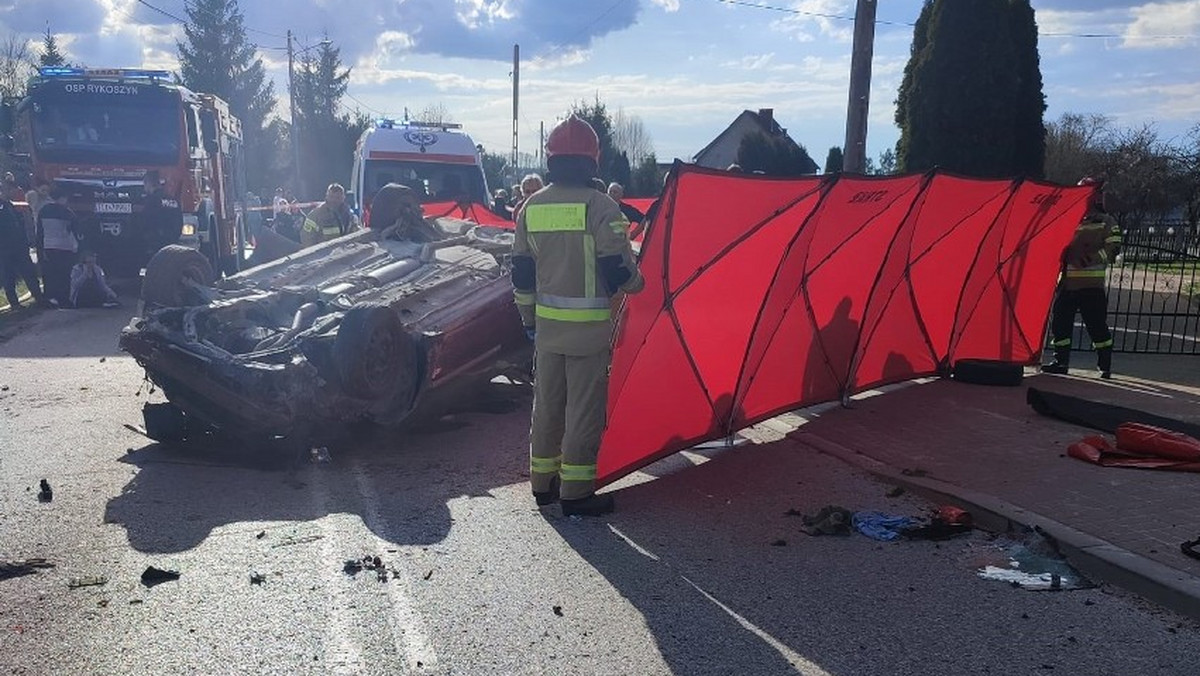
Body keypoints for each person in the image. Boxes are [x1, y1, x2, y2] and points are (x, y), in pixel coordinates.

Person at [512, 114, 644, 517]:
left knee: (548, 406)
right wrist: (639, 286)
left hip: (548, 331)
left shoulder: (530, 207)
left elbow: (521, 275)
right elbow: (617, 268)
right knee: (583, 411)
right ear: (593, 161)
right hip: (588, 335)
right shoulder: (602, 206)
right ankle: (577, 493)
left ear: (551, 160)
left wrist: (529, 321)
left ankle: (543, 484)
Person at [1043, 176, 1122, 379]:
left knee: (1097, 326)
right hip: (1067, 283)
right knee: (1060, 323)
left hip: (1091, 285)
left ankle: (1104, 365)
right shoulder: (1068, 218)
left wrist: (1091, 259)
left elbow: (1113, 248)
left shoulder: (1106, 222)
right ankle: (1061, 362)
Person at [36, 186, 78, 308]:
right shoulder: (67, 212)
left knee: (51, 274)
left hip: (48, 247)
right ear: (63, 198)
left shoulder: (43, 210)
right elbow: (75, 231)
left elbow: (39, 232)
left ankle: (50, 298)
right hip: (65, 247)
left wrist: (40, 248)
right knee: (64, 275)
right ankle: (64, 301)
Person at [1, 193, 44, 309]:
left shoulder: (9, 205)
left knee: (29, 272)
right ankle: (14, 303)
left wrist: (26, 240)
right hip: (4, 248)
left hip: (19, 246)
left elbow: (20, 224)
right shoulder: (5, 206)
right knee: (9, 277)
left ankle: (39, 298)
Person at [141, 170, 183, 255]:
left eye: (144, 185)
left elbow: (147, 222)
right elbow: (179, 221)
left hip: (156, 245)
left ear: (148, 183)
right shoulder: (173, 200)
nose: (144, 188)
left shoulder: (151, 201)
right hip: (173, 242)